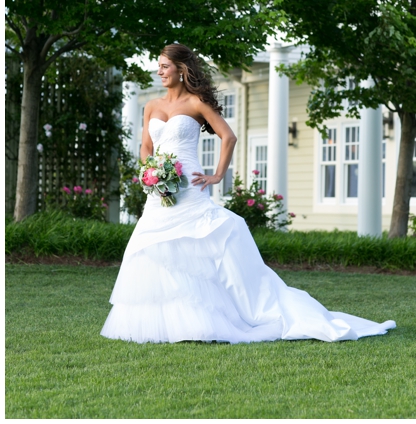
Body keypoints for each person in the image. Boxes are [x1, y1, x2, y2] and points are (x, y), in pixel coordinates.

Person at [101, 43, 395, 344]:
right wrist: (150, 174)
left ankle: (238, 311)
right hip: (159, 191)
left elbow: (229, 137)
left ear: (181, 69)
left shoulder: (197, 102)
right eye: (159, 65)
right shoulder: (152, 105)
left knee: (215, 237)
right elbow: (146, 147)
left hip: (190, 186)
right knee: (156, 248)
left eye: (165, 66)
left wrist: (217, 175)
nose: (159, 71)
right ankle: (172, 323)